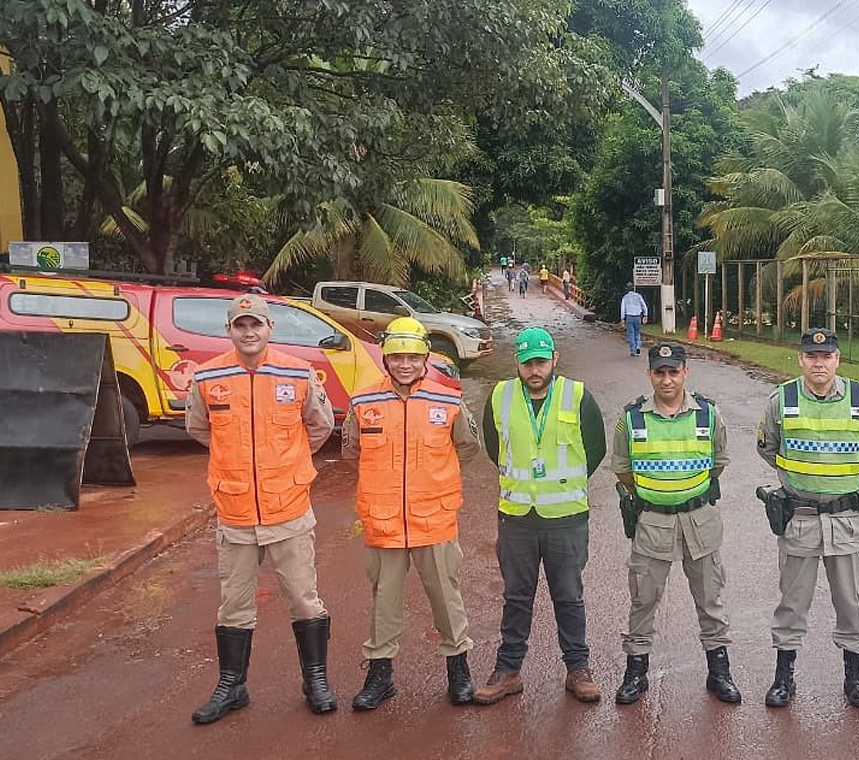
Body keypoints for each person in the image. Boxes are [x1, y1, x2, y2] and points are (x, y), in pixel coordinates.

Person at [186, 294, 337, 724]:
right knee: (233, 605)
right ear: (229, 330)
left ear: (270, 327)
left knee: (305, 601)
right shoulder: (208, 377)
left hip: (288, 507)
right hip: (234, 512)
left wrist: (286, 461)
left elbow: (321, 425)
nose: (248, 333)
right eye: (240, 326)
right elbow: (198, 428)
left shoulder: (298, 373)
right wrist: (237, 461)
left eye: (256, 325)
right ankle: (232, 686)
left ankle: (316, 680)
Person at [341, 317, 482, 710]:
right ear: (386, 359)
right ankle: (380, 676)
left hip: (434, 520)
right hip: (383, 521)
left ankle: (459, 671)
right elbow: (352, 451)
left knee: (446, 599)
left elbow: (467, 447)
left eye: (413, 357)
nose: (405, 364)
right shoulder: (363, 403)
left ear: (425, 357)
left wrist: (435, 479)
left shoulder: (448, 400)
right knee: (384, 601)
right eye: (397, 357)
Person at [473, 327, 608, 705]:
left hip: (565, 518)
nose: (535, 370)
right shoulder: (500, 396)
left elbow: (594, 450)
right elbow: (495, 447)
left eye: (541, 362)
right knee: (517, 597)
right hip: (517, 517)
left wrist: (562, 484)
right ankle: (508, 670)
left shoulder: (577, 396)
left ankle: (578, 669)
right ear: (517, 362)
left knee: (569, 597)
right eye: (528, 362)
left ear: (554, 360)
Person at [613, 342, 741, 706]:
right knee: (643, 600)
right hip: (652, 522)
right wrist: (657, 494)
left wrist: (687, 491)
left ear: (686, 371)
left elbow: (720, 460)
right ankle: (636, 672)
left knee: (710, 600)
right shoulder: (632, 418)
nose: (667, 379)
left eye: (674, 371)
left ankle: (719, 672)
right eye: (660, 372)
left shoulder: (709, 415)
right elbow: (623, 468)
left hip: (700, 521)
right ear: (650, 374)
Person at [757, 328, 859, 709]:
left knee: (850, 602)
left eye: (826, 356)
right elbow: (768, 447)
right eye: (812, 356)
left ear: (837, 359)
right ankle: (784, 677)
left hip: (845, 520)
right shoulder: (782, 399)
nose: (819, 363)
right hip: (801, 517)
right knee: (792, 602)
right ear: (800, 359)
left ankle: (854, 678)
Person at [620, 283, 649, 357]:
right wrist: (645, 315)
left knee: (631, 334)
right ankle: (638, 347)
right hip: (637, 317)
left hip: (629, 316)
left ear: (627, 289)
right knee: (637, 333)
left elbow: (622, 308)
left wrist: (622, 318)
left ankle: (633, 350)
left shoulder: (625, 297)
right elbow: (644, 306)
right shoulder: (639, 296)